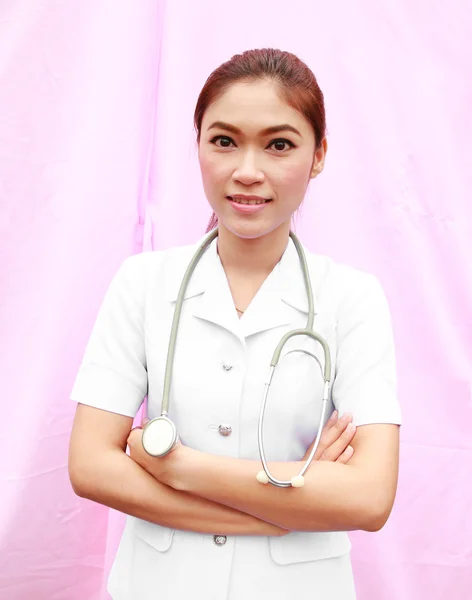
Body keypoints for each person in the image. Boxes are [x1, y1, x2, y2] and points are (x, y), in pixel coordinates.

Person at [68, 48, 401, 600]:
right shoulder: (143, 283)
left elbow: (369, 499)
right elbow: (90, 466)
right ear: (197, 144)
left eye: (279, 145)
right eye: (224, 140)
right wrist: (292, 495)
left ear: (318, 155)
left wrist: (175, 466)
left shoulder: (353, 298)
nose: (248, 171)